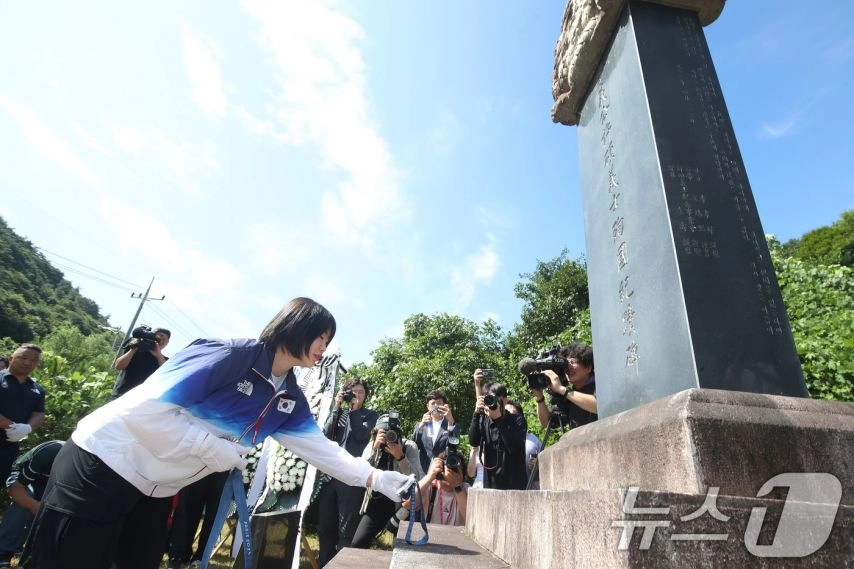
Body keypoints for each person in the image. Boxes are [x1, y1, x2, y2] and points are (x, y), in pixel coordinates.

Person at [20, 297, 411, 569]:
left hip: (155, 488)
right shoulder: (228, 354)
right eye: (322, 337)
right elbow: (144, 411)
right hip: (102, 463)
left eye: (328, 341)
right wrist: (211, 448)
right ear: (298, 325)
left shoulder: (289, 397)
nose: (324, 349)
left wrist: (377, 477)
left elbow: (321, 450)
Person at [316, 378, 377, 567]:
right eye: (353, 391)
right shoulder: (339, 412)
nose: (357, 395)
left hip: (351, 477)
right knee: (325, 527)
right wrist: (338, 407)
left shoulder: (369, 415)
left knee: (346, 530)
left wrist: (355, 410)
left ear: (365, 396)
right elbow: (326, 434)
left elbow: (360, 436)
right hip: (329, 476)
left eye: (361, 392)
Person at [350, 413, 423, 548]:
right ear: (376, 432)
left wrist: (401, 457)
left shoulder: (409, 446)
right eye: (384, 432)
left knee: (404, 548)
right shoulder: (373, 445)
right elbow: (359, 472)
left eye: (392, 433)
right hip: (376, 503)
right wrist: (375, 450)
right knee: (358, 543)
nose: (389, 436)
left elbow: (418, 479)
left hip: (402, 505)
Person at [0, 440, 64, 568]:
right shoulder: (51, 452)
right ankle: (3, 552)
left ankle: (31, 554)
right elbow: (16, 490)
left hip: (48, 484)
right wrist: (35, 505)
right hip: (22, 479)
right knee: (24, 501)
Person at [468, 376, 527, 490]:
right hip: (491, 484)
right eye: (488, 398)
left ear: (505, 400)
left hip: (514, 484)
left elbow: (513, 448)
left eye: (496, 398)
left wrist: (499, 419)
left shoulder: (517, 419)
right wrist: (476, 413)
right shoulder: (484, 420)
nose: (492, 401)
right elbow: (473, 442)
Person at [0, 344, 46, 484]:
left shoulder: (37, 389)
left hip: (8, 448)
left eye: (34, 360)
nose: (27, 362)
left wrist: (27, 428)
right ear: (11, 358)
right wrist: (12, 426)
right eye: (23, 357)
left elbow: (39, 414)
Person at [165, 470, 229, 569]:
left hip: (223, 468)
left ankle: (202, 556)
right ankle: (181, 554)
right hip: (199, 467)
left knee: (213, 515)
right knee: (190, 512)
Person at [530, 343, 597, 430]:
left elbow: (599, 406)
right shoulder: (568, 395)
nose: (568, 367)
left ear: (588, 367)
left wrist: (561, 389)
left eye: (572, 362)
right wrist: (539, 398)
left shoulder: (601, 385)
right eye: (566, 364)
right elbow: (546, 423)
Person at [407, 455, 468, 526]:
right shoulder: (430, 486)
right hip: (431, 535)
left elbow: (471, 519)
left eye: (455, 469)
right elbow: (408, 505)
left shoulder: (465, 489)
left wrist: (457, 486)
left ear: (462, 474)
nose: (450, 472)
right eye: (447, 467)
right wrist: (429, 476)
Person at [111, 327, 171, 398]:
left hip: (142, 400)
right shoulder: (136, 350)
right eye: (157, 339)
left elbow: (167, 376)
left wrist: (158, 356)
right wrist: (134, 348)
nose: (161, 342)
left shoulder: (165, 361)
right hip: (121, 394)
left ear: (167, 343)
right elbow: (118, 366)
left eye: (164, 340)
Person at [412, 390, 459, 474]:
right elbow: (413, 447)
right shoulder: (421, 425)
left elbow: (455, 445)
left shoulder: (451, 424)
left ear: (444, 406)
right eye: (433, 403)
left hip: (443, 472)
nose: (436, 406)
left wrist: (451, 421)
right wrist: (421, 427)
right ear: (428, 406)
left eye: (439, 403)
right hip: (423, 472)